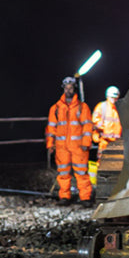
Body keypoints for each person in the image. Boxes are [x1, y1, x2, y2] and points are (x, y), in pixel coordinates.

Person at [46, 77, 94, 207]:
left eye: (71, 88)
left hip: (79, 147)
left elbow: (88, 126)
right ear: (63, 88)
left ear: (74, 89)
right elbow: (51, 128)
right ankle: (64, 197)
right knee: (63, 173)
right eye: (66, 88)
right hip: (62, 147)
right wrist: (50, 144)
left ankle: (85, 198)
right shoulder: (55, 108)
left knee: (81, 173)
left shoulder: (82, 107)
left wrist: (86, 142)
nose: (68, 90)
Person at [92, 86, 122, 160]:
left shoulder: (120, 108)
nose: (113, 99)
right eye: (112, 97)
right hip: (105, 142)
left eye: (115, 97)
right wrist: (103, 129)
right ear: (107, 96)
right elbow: (95, 121)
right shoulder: (102, 107)